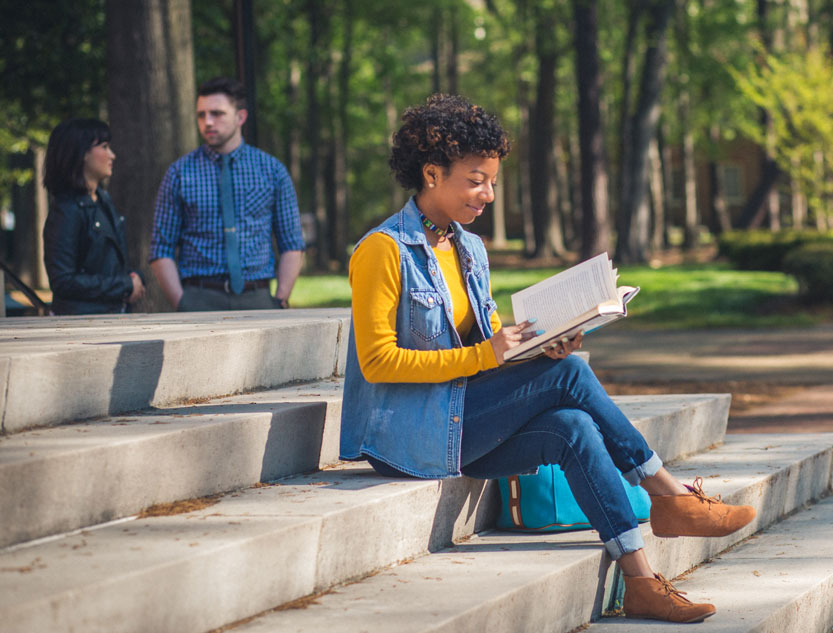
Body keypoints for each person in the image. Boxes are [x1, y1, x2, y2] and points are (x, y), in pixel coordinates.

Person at [340, 94, 755, 624]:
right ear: (431, 173)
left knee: (572, 426)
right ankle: (668, 495)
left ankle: (642, 580)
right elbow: (378, 363)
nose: (488, 193)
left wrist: (538, 345)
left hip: (462, 419)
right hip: (408, 434)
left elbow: (485, 341)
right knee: (571, 376)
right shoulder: (382, 250)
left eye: (492, 180)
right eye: (475, 180)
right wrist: (489, 354)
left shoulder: (468, 248)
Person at [150, 77, 303, 311]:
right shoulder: (179, 173)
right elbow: (161, 248)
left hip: (258, 299)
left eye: (217, 114)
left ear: (240, 117)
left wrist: (280, 299)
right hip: (198, 299)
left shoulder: (272, 171)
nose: (207, 122)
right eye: (201, 115)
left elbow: (292, 243)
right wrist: (182, 302)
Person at [41, 118, 146, 315]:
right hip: (84, 326)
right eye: (104, 147)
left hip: (112, 318)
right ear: (82, 153)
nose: (112, 155)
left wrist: (134, 279)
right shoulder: (67, 210)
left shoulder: (103, 200)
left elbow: (110, 265)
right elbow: (63, 281)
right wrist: (124, 284)